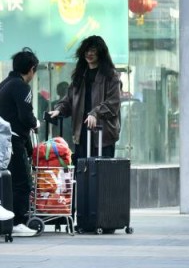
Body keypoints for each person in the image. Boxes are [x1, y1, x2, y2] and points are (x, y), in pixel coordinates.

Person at [48, 35, 122, 165]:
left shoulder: (111, 76)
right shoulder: (80, 75)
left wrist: (95, 113)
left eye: (93, 50)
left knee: (101, 173)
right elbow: (69, 100)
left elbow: (113, 103)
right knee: (82, 171)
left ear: (101, 52)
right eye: (87, 51)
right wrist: (59, 110)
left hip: (102, 134)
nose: (89, 54)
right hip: (81, 132)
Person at [0, 48, 40, 237]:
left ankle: (9, 220)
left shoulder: (5, 83)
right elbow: (25, 116)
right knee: (22, 182)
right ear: (31, 69)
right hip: (14, 141)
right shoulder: (21, 86)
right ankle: (18, 222)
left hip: (4, 141)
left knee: (8, 182)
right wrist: (36, 122)